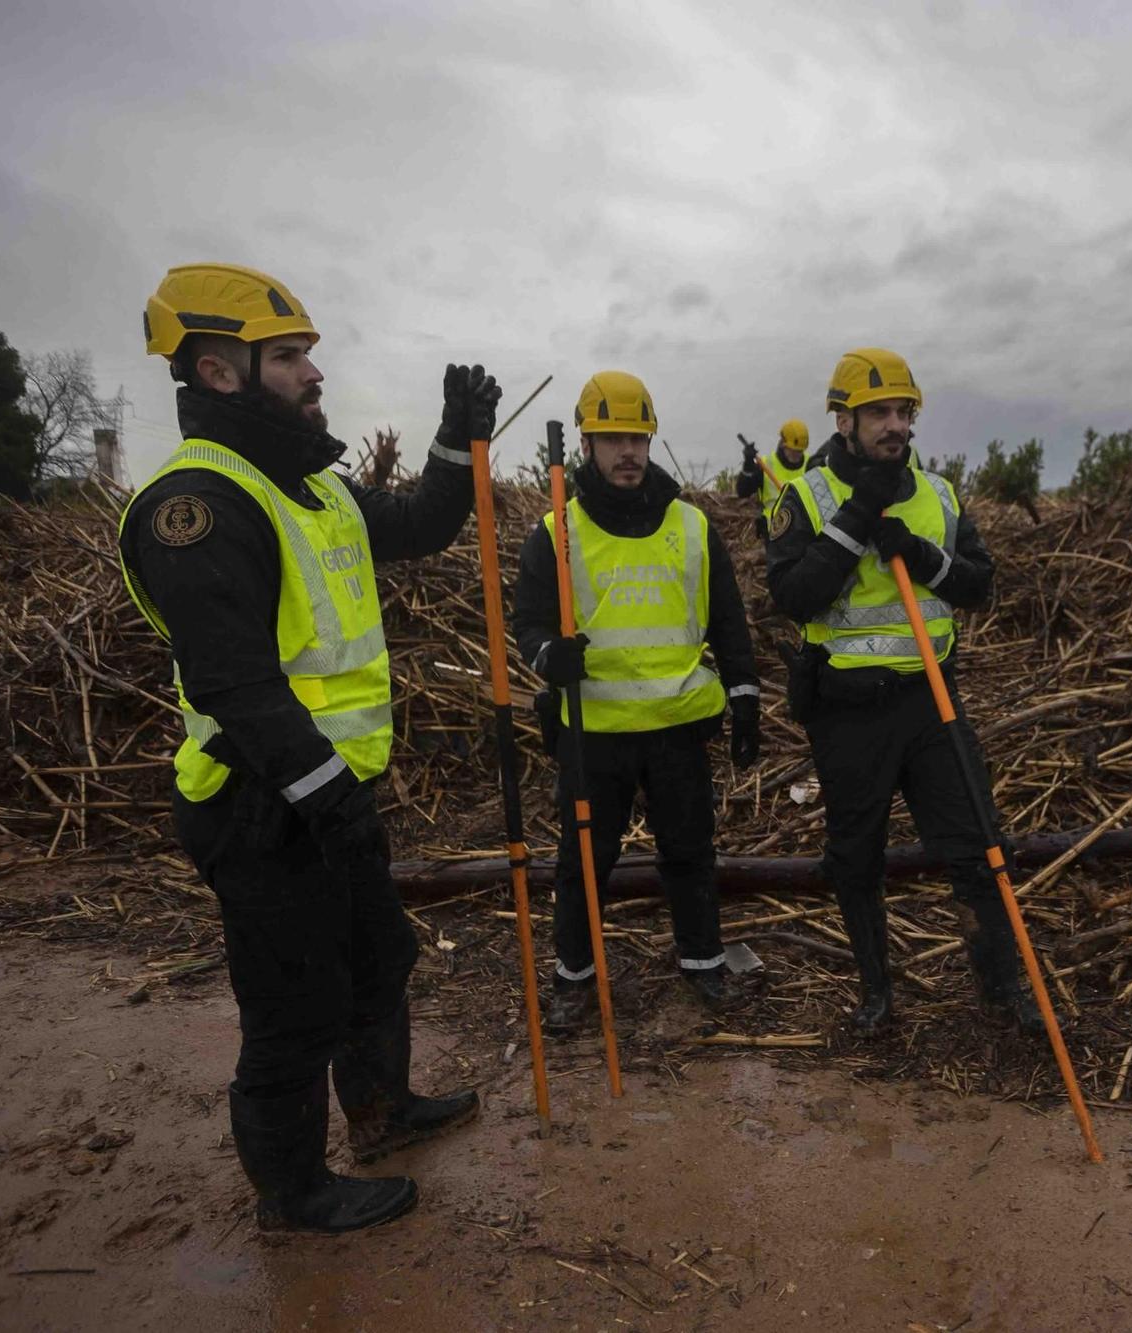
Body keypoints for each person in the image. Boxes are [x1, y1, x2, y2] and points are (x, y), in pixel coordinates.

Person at [117, 263, 496, 1233]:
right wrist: (330, 794)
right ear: (219, 371)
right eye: (287, 357)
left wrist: (456, 443)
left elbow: (420, 525)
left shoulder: (313, 487)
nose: (312, 374)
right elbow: (233, 682)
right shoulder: (195, 504)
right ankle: (293, 1194)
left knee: (379, 959)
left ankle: (381, 1113)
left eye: (307, 355)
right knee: (294, 1008)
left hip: (332, 795)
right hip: (258, 807)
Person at [764, 348, 1040, 1036]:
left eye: (903, 412)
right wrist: (858, 517)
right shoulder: (808, 495)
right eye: (879, 413)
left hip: (930, 703)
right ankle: (877, 997)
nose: (894, 425)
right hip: (848, 713)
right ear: (845, 418)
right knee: (855, 859)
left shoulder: (939, 495)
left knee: (978, 845)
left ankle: (1004, 990)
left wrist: (920, 556)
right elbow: (794, 597)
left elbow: (977, 583)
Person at [512, 371, 761, 1030]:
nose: (628, 450)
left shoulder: (692, 528)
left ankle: (703, 961)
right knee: (584, 861)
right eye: (612, 437)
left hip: (678, 726)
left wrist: (744, 696)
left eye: (638, 436)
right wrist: (547, 657)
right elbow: (528, 625)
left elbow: (729, 624)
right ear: (587, 443)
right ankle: (575, 978)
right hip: (594, 730)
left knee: (689, 851)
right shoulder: (556, 533)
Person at [734, 418, 811, 537]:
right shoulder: (765, 466)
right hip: (774, 534)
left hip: (805, 533)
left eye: (800, 451)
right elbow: (743, 491)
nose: (797, 455)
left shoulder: (811, 465)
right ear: (783, 444)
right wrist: (748, 464)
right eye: (794, 451)